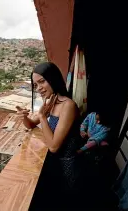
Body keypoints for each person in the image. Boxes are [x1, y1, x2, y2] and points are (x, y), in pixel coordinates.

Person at [17, 62, 93, 210]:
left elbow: (53, 146)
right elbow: (31, 124)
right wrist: (23, 117)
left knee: (67, 202)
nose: (38, 88)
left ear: (53, 79)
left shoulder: (68, 105)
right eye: (35, 85)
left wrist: (42, 116)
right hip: (54, 165)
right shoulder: (51, 102)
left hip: (68, 167)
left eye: (42, 82)